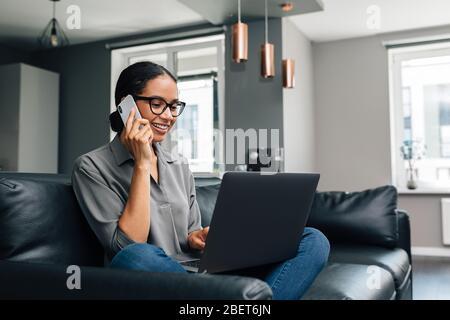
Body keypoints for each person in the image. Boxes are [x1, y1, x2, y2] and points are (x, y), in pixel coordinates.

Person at [71, 61, 330, 300]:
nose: (169, 116)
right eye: (157, 104)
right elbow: (128, 247)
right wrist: (142, 162)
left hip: (202, 275)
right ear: (125, 105)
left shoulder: (179, 165)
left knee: (313, 239)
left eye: (174, 106)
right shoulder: (91, 167)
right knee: (135, 257)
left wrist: (198, 238)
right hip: (153, 280)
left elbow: (189, 234)